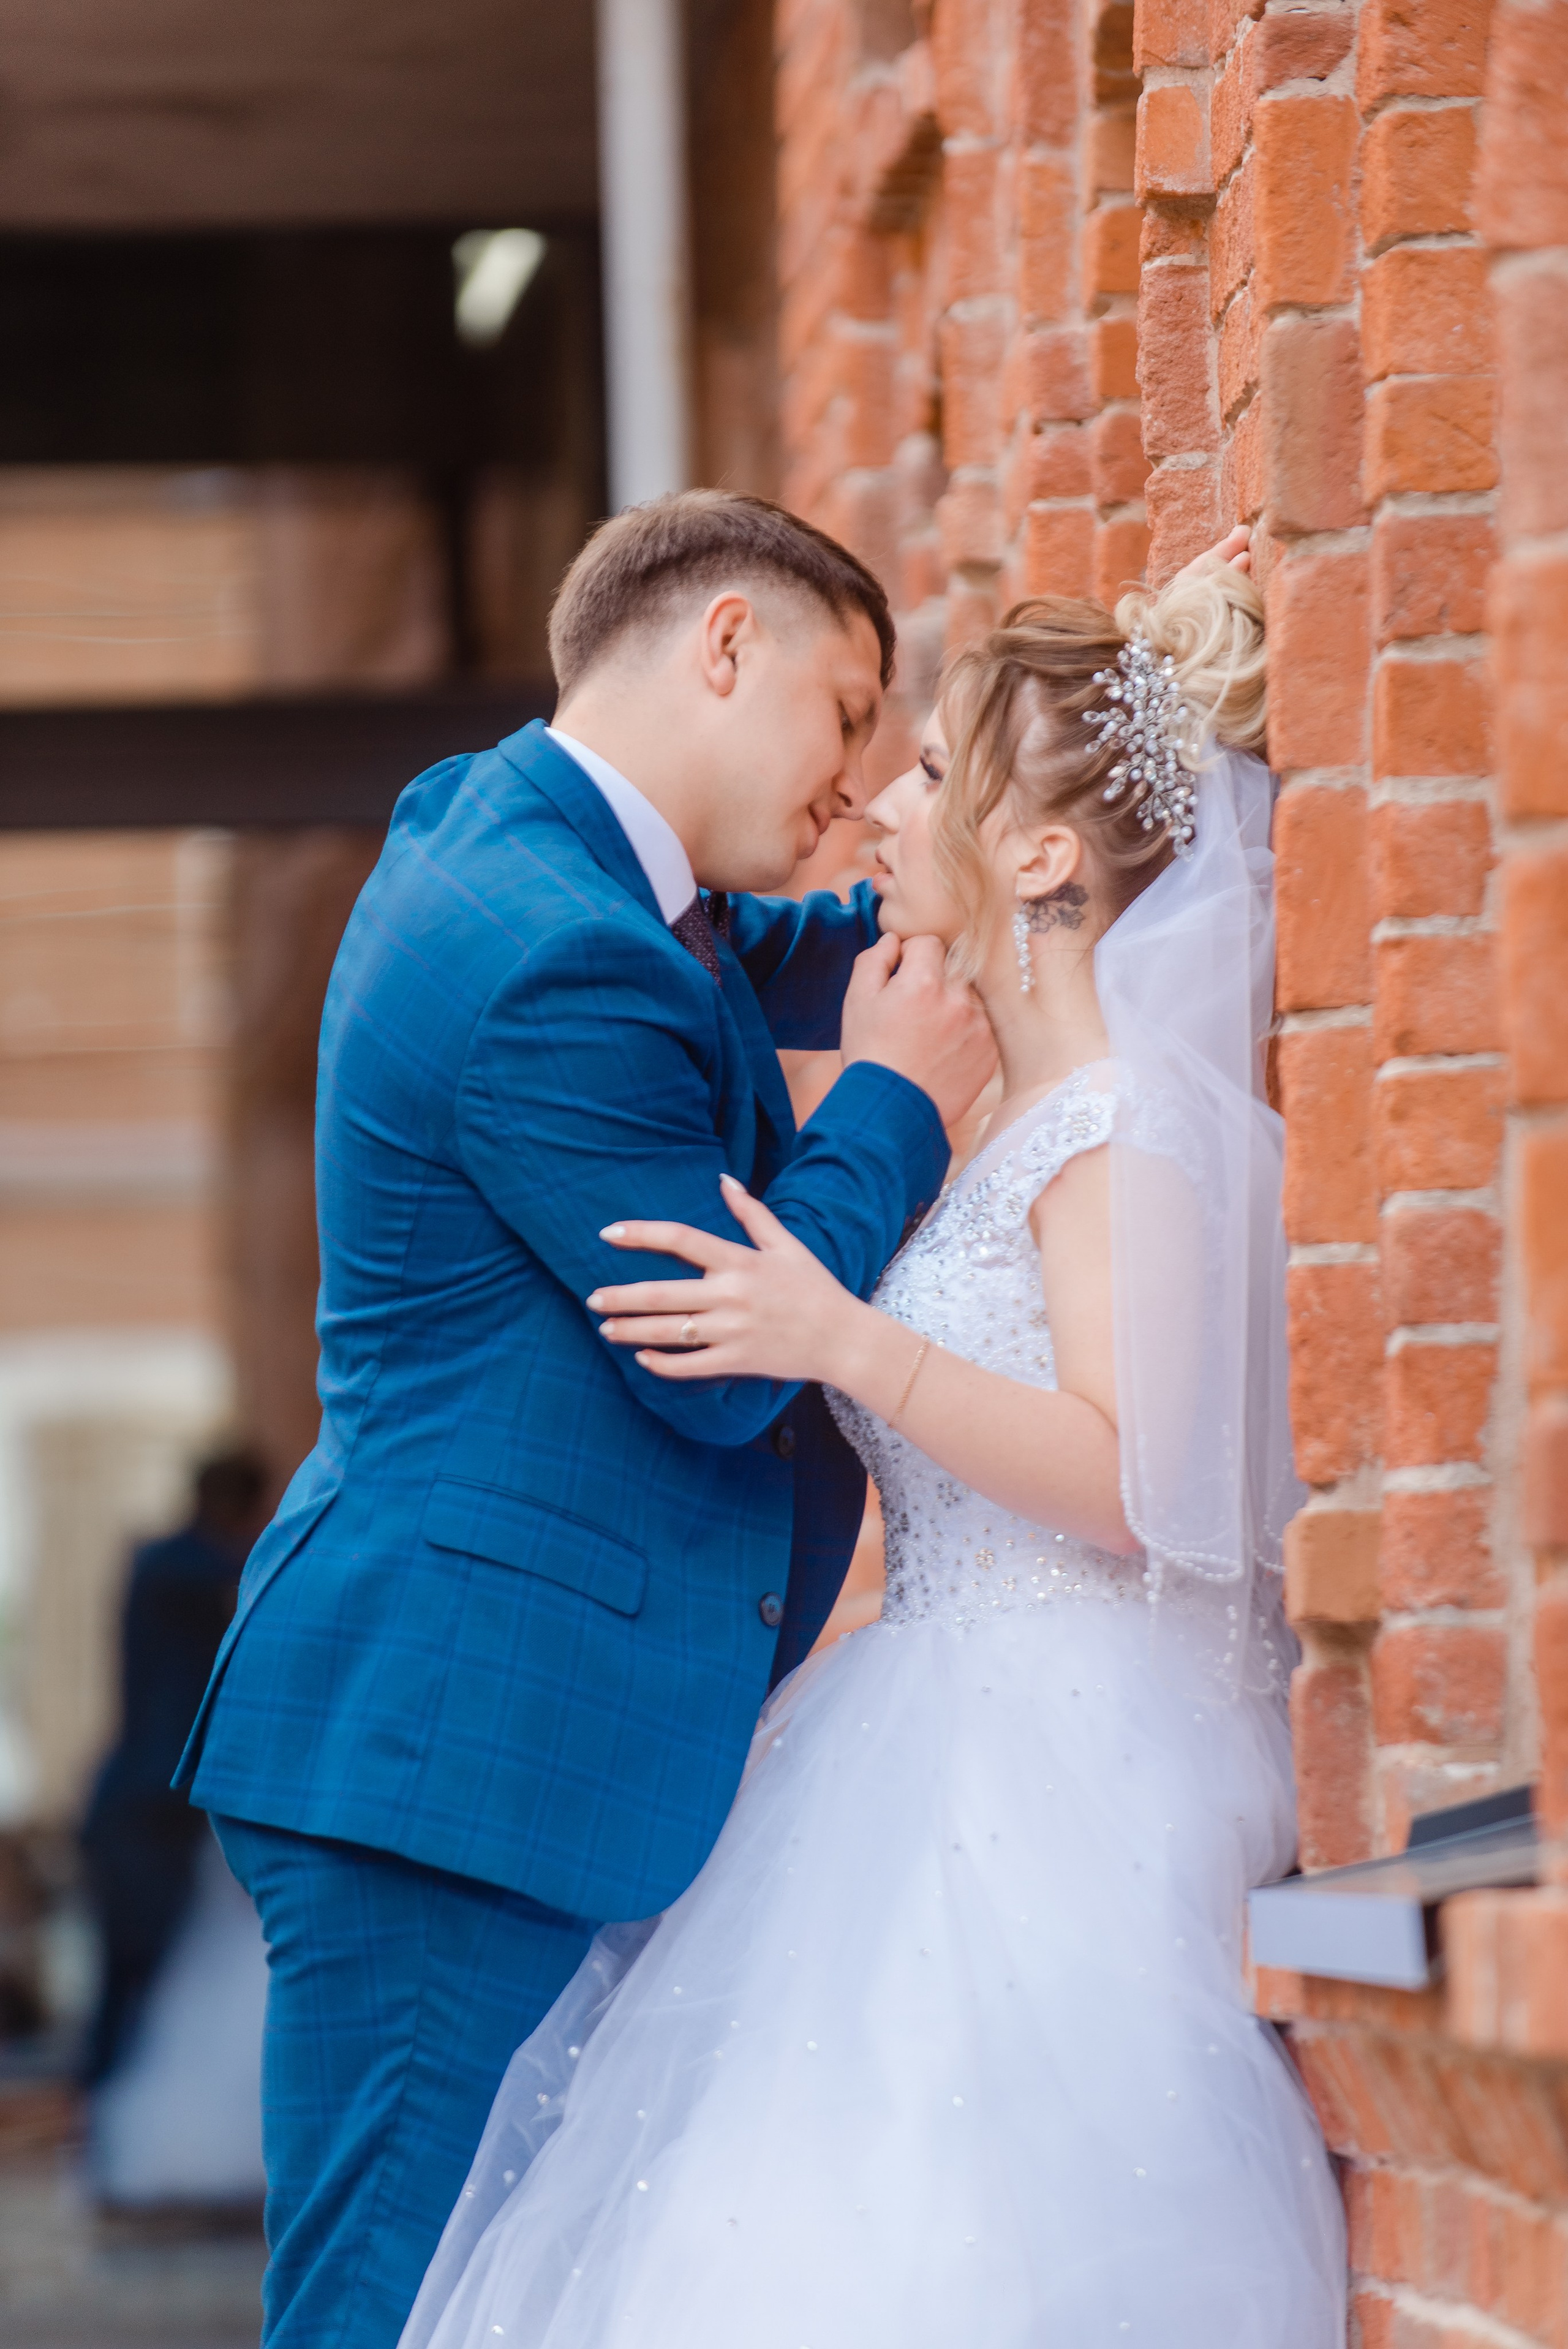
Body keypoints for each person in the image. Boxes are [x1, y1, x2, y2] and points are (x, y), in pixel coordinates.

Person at [399, 559, 1348, 2348]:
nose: (876, 800)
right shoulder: (1017, 1118)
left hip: (1063, 1766)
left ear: (1048, 862)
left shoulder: (1124, 1131)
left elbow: (1132, 1478)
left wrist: (844, 1340)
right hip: (929, 1725)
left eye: (930, 778)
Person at [173, 492, 995, 2347]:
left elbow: (734, 961)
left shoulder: (518, 830)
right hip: (451, 1760)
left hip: (495, 1734)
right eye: (847, 715)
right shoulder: (553, 950)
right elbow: (719, 1359)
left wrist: (991, 878)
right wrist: (901, 1104)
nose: (858, 783)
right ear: (723, 646)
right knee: (388, 2308)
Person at [81, 1446, 270, 2092]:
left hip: (166, 1804)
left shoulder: (186, 1569)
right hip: (144, 1808)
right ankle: (105, 2122)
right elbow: (233, 1570)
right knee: (136, 1967)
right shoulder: (171, 1567)